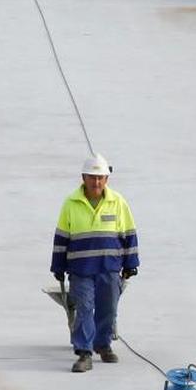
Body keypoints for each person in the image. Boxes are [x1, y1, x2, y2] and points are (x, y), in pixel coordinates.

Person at [50, 154, 139, 372]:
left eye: (100, 178)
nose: (96, 182)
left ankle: (103, 345)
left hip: (109, 269)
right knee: (85, 308)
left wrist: (131, 263)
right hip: (81, 269)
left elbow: (129, 234)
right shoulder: (71, 203)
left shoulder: (118, 202)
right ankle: (84, 353)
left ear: (107, 179)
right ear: (84, 178)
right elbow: (61, 237)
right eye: (92, 177)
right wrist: (58, 266)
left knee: (108, 309)